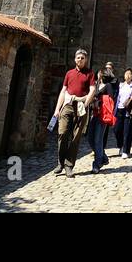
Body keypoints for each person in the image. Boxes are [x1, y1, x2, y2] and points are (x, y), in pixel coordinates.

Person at [52, 48, 97, 177]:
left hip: (81, 106)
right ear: (75, 59)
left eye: (83, 58)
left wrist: (85, 104)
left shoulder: (90, 74)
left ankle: (68, 165)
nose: (80, 60)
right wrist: (57, 109)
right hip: (68, 105)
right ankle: (60, 162)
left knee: (76, 137)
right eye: (78, 57)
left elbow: (92, 90)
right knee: (62, 132)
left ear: (86, 60)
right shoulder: (69, 73)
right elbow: (63, 91)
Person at [90, 71, 117, 172]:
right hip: (94, 114)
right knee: (90, 138)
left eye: (103, 73)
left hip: (103, 115)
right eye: (100, 72)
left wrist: (99, 100)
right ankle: (103, 157)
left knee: (98, 139)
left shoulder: (108, 85)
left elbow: (111, 100)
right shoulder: (96, 84)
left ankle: (97, 164)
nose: (100, 74)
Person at [115, 68, 132, 158]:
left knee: (127, 131)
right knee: (117, 130)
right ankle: (120, 146)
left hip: (129, 110)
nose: (128, 75)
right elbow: (117, 97)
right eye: (126, 74)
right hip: (119, 109)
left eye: (130, 74)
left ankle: (126, 151)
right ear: (124, 76)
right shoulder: (121, 85)